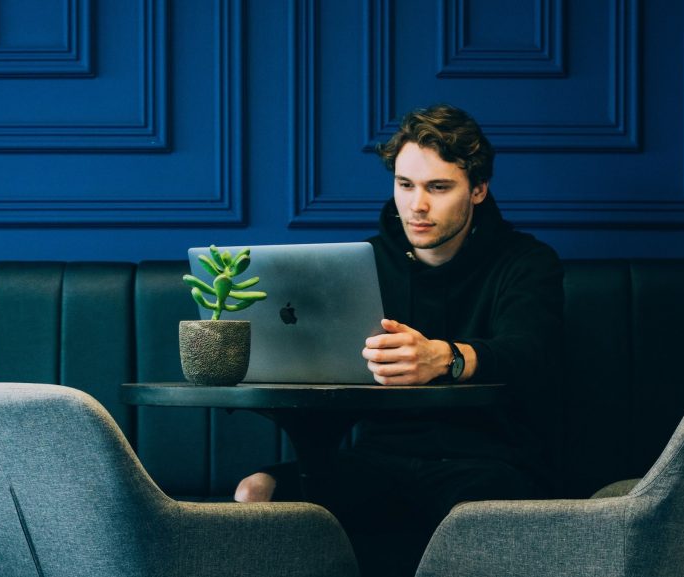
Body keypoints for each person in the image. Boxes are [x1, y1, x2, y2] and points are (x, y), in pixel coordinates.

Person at [235, 103, 564, 576]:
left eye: (438, 187)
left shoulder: (526, 262)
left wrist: (444, 358)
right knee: (255, 491)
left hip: (488, 462)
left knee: (479, 513)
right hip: (380, 460)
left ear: (478, 191)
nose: (417, 205)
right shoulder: (363, 261)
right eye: (405, 185)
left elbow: (531, 354)